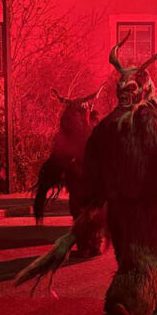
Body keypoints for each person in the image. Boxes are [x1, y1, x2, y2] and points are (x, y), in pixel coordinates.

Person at [16, 29, 157, 315]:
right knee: (140, 256)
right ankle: (131, 304)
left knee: (140, 254)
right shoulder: (149, 123)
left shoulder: (122, 125)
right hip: (139, 209)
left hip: (133, 208)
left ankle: (154, 296)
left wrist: (93, 200)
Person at [33, 87, 106, 257]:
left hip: (86, 178)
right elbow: (62, 152)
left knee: (86, 210)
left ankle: (91, 245)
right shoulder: (77, 132)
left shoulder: (93, 131)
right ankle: (90, 245)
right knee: (84, 210)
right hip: (80, 177)